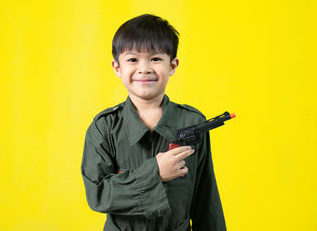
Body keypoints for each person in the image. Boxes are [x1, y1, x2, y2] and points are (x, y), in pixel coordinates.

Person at [81, 14, 227, 231]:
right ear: (117, 67)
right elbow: (98, 194)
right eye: (132, 59)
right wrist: (155, 173)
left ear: (173, 65)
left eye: (156, 59)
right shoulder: (104, 127)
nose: (144, 68)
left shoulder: (192, 122)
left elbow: (206, 199)